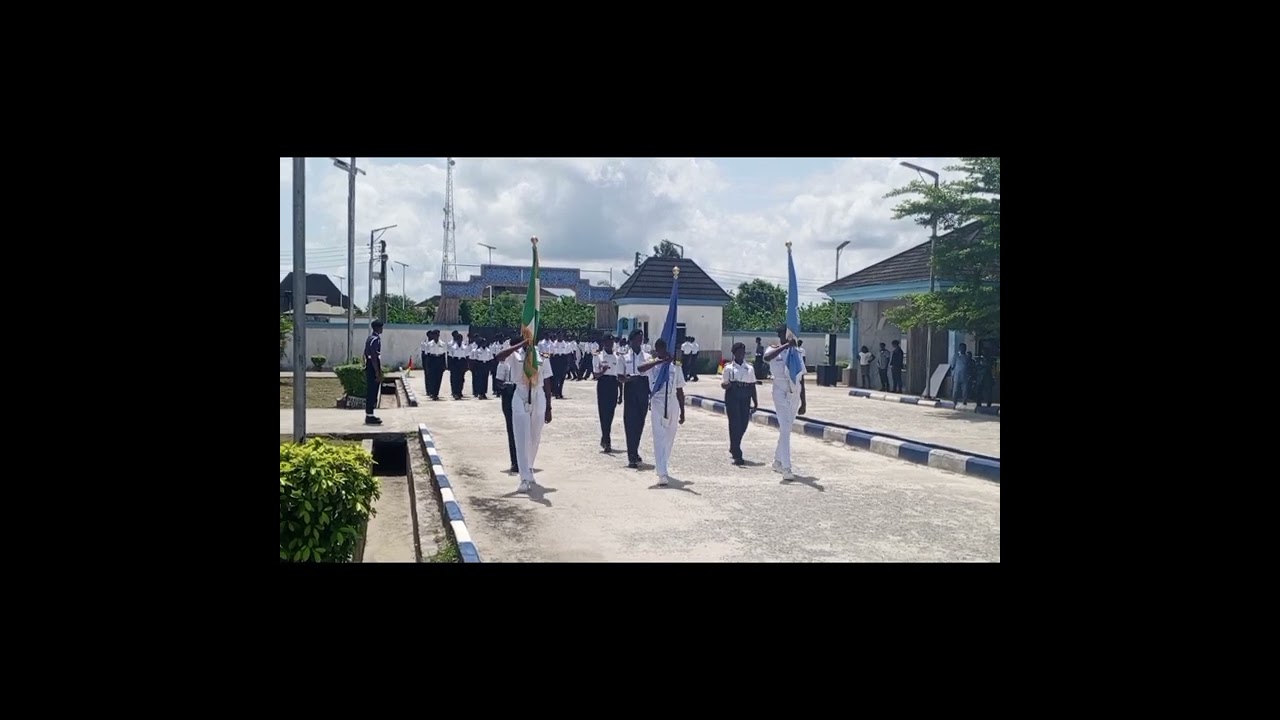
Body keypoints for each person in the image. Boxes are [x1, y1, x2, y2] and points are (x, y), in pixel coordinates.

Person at [495, 337, 554, 493]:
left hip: (538, 394)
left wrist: (549, 407)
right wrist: (520, 345)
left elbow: (547, 380)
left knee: (535, 437)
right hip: (520, 393)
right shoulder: (515, 355)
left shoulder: (541, 354)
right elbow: (499, 357)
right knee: (522, 437)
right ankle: (524, 478)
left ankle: (529, 467)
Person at [637, 338, 685, 485]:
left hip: (672, 402)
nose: (664, 352)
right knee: (659, 436)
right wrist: (660, 361)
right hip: (658, 400)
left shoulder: (675, 366)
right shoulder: (653, 365)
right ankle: (662, 473)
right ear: (657, 350)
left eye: (666, 349)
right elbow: (640, 369)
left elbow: (680, 389)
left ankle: (663, 463)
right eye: (661, 349)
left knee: (669, 437)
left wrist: (683, 411)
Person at [764, 325, 807, 480]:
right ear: (780, 335)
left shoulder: (798, 352)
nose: (789, 337)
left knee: (786, 428)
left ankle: (777, 461)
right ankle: (787, 467)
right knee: (785, 427)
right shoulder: (773, 349)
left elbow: (801, 377)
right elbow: (766, 358)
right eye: (786, 334)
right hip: (780, 390)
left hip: (795, 391)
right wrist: (785, 346)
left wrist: (804, 401)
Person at [722, 342, 758, 465]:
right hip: (733, 395)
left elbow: (752, 385)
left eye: (743, 352)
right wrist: (727, 385)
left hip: (745, 395)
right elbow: (724, 383)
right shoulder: (728, 368)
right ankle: (737, 453)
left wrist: (755, 401)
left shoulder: (750, 368)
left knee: (743, 424)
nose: (741, 354)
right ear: (734, 353)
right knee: (735, 424)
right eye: (738, 352)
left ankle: (734, 446)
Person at [619, 329, 651, 469]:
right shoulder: (624, 357)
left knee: (640, 422)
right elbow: (619, 376)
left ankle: (635, 450)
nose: (639, 342)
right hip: (631, 388)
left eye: (641, 339)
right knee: (630, 422)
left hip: (643, 388)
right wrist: (627, 379)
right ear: (631, 341)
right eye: (637, 339)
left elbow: (651, 375)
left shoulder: (648, 357)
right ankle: (631, 455)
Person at [593, 334, 624, 453]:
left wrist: (621, 394)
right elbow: (595, 375)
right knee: (603, 412)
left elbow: (619, 376)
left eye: (611, 342)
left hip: (614, 384)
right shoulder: (599, 356)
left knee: (610, 413)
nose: (610, 344)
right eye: (607, 342)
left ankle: (605, 436)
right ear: (604, 343)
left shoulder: (618, 357)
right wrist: (602, 371)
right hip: (603, 384)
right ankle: (607, 440)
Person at [494, 336, 519, 472]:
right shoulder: (504, 363)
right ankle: (514, 461)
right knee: (512, 429)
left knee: (524, 431)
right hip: (509, 397)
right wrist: (507, 386)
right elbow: (498, 382)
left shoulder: (525, 362)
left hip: (521, 396)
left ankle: (523, 460)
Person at [362, 320, 385, 425]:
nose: (382, 329)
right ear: (377, 328)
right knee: (373, 391)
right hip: (373, 365)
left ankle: (369, 414)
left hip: (369, 364)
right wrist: (377, 372)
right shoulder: (376, 340)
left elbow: (365, 354)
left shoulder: (369, 338)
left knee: (370, 390)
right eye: (381, 327)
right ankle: (370, 416)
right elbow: (375, 357)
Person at [421, 329, 448, 401]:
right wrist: (427, 366)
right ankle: (432, 392)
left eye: (438, 335)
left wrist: (444, 365)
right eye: (435, 335)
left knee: (438, 378)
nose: (436, 336)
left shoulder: (442, 344)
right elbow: (427, 355)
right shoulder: (429, 344)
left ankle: (436, 393)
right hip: (432, 360)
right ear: (433, 336)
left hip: (439, 360)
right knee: (432, 378)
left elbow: (443, 355)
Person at [471, 335, 493, 400]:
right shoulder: (477, 351)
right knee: (479, 379)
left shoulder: (488, 350)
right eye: (483, 342)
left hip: (486, 365)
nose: (484, 344)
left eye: (485, 342)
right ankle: (479, 393)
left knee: (485, 380)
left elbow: (491, 359)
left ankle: (484, 393)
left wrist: (490, 367)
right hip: (479, 365)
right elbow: (475, 360)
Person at [950, 342, 972, 406]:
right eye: (961, 348)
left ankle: (964, 401)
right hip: (957, 376)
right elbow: (952, 365)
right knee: (955, 390)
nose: (963, 349)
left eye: (964, 348)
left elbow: (969, 366)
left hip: (964, 376)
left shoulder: (967, 357)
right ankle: (954, 402)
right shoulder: (956, 356)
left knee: (965, 390)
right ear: (959, 348)